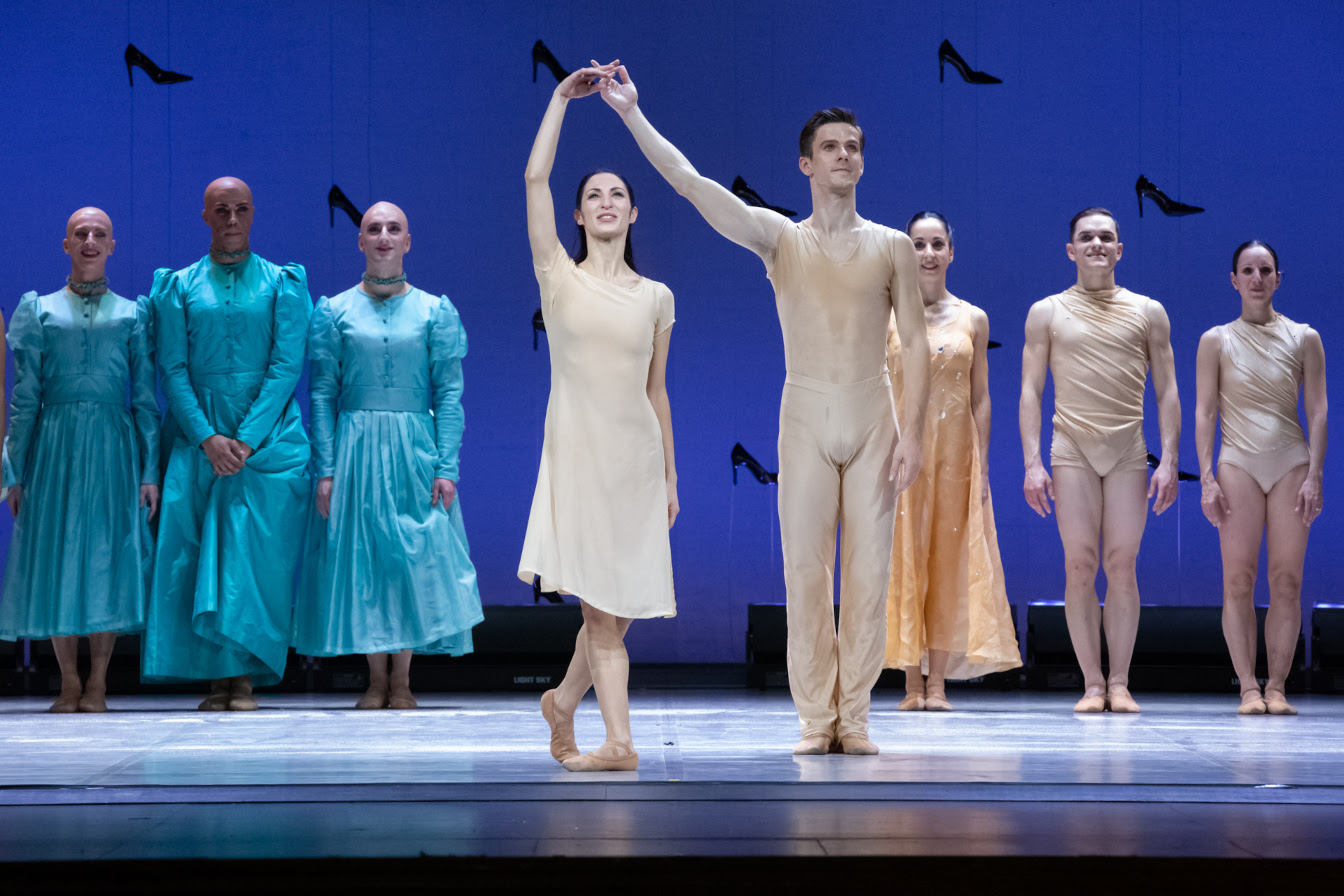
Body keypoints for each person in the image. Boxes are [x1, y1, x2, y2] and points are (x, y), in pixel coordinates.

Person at [600, 65, 927, 754]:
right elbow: (691, 183)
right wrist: (631, 113)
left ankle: (854, 717)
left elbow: (917, 345)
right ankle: (815, 719)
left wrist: (914, 433)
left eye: (854, 146)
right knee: (805, 573)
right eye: (831, 146)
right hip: (805, 414)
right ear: (806, 163)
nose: (845, 155)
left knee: (869, 576)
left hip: (874, 415)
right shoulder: (781, 238)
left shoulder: (893, 246)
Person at [522, 63, 678, 772]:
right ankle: (620, 743)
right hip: (578, 457)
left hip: (635, 465)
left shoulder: (657, 297)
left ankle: (561, 703)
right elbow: (535, 179)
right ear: (579, 216)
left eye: (618, 194)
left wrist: (670, 477)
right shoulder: (559, 276)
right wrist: (561, 98)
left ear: (634, 213)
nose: (606, 202)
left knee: (617, 610)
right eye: (593, 195)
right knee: (600, 615)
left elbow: (657, 392)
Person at [294, 200, 483, 709]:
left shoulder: (434, 311)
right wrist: (326, 468)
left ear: (407, 241)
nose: (383, 236)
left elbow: (449, 394)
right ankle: (375, 679)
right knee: (365, 558)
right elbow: (322, 394)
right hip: (355, 449)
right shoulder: (334, 311)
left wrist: (446, 466)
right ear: (360, 241)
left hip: (413, 448)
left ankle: (402, 679)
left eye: (393, 228)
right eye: (373, 228)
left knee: (410, 558)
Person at [141, 177, 311, 711]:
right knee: (197, 554)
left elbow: (286, 365)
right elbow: (171, 367)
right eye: (221, 210)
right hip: (198, 433)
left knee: (254, 559)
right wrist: (207, 437)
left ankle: (247, 676)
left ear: (253, 213)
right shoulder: (178, 286)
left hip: (265, 436)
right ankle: (216, 678)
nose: (232, 219)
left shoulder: (283, 282)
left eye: (240, 209)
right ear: (205, 217)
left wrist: (245, 440)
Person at [1020, 208, 1179, 714]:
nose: (1096, 244)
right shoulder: (1046, 312)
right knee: (1080, 564)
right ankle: (1092, 683)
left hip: (1128, 449)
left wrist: (1170, 460)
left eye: (1105, 237)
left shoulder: (1148, 311)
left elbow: (1168, 390)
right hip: (1072, 448)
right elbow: (1030, 391)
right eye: (1086, 237)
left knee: (1122, 564)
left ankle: (1120, 682)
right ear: (1071, 250)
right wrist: (1031, 463)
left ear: (1119, 250)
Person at [0, 208, 159, 712]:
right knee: (57, 556)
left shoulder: (134, 313)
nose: (90, 239)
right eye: (80, 233)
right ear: (66, 244)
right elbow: (25, 399)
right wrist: (13, 471)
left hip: (113, 445)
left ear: (112, 246)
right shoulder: (39, 310)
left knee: (106, 558)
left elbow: (145, 401)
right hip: (56, 445)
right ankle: (69, 680)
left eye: (99, 234)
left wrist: (149, 470)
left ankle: (99, 683)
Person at [886, 212, 1020, 711]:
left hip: (956, 456)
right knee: (904, 558)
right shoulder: (885, 316)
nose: (928, 254)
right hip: (901, 455)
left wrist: (981, 466)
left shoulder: (973, 318)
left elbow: (980, 397)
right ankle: (910, 683)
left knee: (946, 562)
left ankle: (938, 682)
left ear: (951, 252)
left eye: (937, 244)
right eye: (918, 244)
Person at [1195, 241, 1326, 715]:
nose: (1256, 278)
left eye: (1265, 270)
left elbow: (1318, 410)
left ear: (1278, 279)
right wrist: (1206, 479)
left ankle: (1278, 687)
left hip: (1291, 463)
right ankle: (1249, 687)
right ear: (1234, 280)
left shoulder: (1305, 337)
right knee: (1238, 580)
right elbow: (1205, 411)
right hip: (1237, 465)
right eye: (1247, 271)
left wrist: (1315, 475)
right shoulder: (1215, 340)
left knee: (1286, 580)